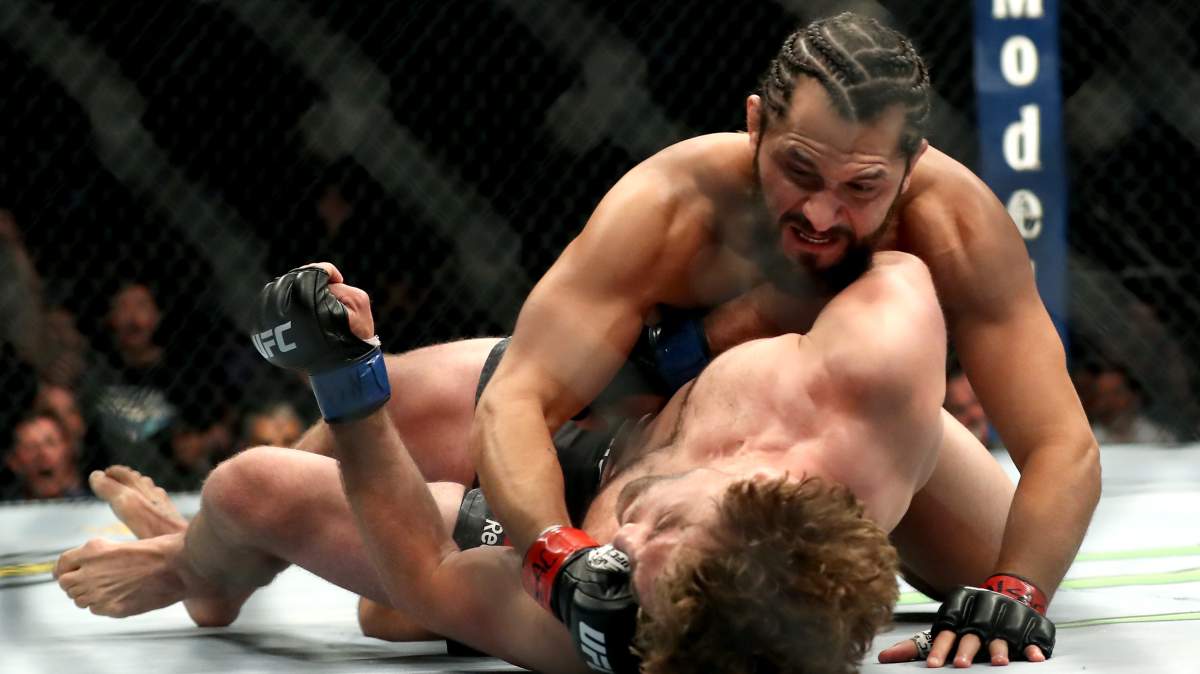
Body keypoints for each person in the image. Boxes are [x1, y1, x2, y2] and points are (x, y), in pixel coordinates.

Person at [63, 10, 1093, 669]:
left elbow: (1062, 444)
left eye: (864, 187)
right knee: (352, 442)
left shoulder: (937, 245)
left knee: (1001, 550)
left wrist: (1015, 592)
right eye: (799, 171)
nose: (825, 214)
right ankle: (207, 566)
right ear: (753, 127)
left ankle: (239, 563)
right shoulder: (675, 209)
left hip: (699, 461)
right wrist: (554, 541)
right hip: (618, 406)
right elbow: (520, 398)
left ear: (910, 166)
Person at [53, 253, 1050, 673]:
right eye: (664, 526)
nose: (621, 539)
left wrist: (345, 380)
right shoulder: (864, 378)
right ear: (760, 491)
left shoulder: (611, 618)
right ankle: (208, 551)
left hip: (549, 490)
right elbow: (897, 240)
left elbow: (427, 569)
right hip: (615, 411)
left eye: (631, 563)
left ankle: (198, 572)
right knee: (999, 544)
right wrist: (1017, 586)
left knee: (254, 486)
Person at [3, 410, 87, 500]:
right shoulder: (6, 507)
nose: (43, 453)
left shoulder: (92, 504)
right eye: (30, 446)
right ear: (14, 462)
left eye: (51, 443)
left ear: (68, 450)